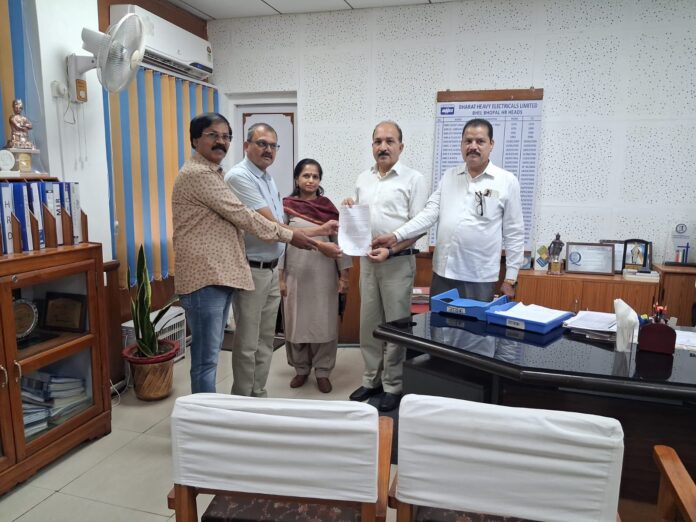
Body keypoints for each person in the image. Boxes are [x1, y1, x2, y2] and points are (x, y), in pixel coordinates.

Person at [172, 112, 319, 394]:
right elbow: (247, 218)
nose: (220, 142)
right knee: (209, 359)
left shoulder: (222, 174)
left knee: (248, 345)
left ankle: (253, 398)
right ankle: (221, 412)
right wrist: (298, 237)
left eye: (225, 136)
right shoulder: (202, 175)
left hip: (225, 273)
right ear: (195, 140)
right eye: (213, 135)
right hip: (208, 276)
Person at [225, 123, 341, 398]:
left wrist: (340, 266)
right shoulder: (239, 177)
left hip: (281, 269)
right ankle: (244, 402)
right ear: (246, 146)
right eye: (261, 143)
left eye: (272, 145)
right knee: (250, 342)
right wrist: (318, 240)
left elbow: (280, 230)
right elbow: (274, 227)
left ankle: (258, 393)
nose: (268, 150)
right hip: (257, 269)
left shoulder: (267, 179)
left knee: (266, 340)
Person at [372, 118, 524, 302]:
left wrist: (511, 277)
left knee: (474, 322)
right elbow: (429, 214)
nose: (473, 146)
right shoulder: (450, 176)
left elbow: (514, 232)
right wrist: (396, 236)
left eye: (480, 141)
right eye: (468, 141)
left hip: (479, 277)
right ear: (461, 144)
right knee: (438, 321)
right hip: (443, 273)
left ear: (491, 144)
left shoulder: (506, 181)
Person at [343, 121, 428, 412]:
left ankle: (393, 384)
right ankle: (371, 380)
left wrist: (391, 249)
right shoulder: (363, 178)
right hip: (367, 262)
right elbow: (360, 220)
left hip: (397, 262)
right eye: (378, 141)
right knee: (368, 324)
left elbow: (419, 226)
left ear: (400, 147)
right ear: (372, 146)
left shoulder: (414, 179)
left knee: (396, 326)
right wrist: (350, 208)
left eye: (389, 141)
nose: (383, 147)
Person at [279, 159, 352, 393]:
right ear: (297, 179)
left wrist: (344, 276)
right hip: (295, 274)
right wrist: (280, 277)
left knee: (324, 323)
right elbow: (279, 242)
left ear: (320, 180)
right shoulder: (286, 206)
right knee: (296, 323)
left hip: (324, 276)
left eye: (315, 176)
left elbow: (340, 244)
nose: (310, 180)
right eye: (306, 175)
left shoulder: (328, 208)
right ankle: (301, 369)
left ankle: (323, 371)